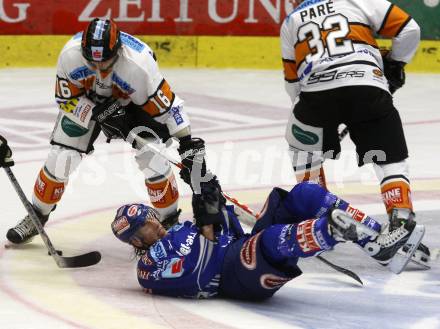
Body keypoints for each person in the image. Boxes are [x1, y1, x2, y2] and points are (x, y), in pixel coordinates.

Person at [6, 18, 205, 244]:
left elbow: (170, 108)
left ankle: (168, 221)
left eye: (106, 62)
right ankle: (37, 215)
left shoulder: (139, 66)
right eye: (92, 63)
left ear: (118, 51)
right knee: (61, 157)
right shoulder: (70, 56)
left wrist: (188, 144)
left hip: (133, 105)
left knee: (153, 156)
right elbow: (66, 99)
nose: (100, 69)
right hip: (88, 103)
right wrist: (99, 113)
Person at [111, 169, 424, 299]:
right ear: (135, 241)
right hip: (236, 278)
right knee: (271, 239)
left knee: (303, 194)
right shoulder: (147, 268)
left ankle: (376, 243)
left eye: (151, 217)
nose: (155, 224)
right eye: (145, 227)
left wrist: (216, 202)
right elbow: (198, 275)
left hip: (241, 246)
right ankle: (330, 230)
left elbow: (228, 231)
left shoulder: (178, 228)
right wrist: (207, 221)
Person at [280, 0, 430, 265]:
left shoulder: (292, 20)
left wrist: (311, 121)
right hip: (366, 85)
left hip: (315, 96)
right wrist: (394, 65)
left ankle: (315, 216)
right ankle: (401, 218)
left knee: (302, 148)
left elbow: (292, 85)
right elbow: (410, 30)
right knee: (389, 157)